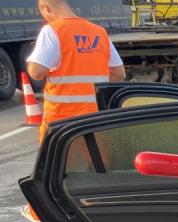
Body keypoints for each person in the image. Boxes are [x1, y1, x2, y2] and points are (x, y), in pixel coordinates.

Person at [26, 0, 126, 143]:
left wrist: (34, 56)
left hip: (63, 124)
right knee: (95, 156)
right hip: (96, 119)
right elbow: (119, 73)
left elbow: (36, 72)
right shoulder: (98, 32)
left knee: (63, 158)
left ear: (45, 7)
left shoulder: (52, 30)